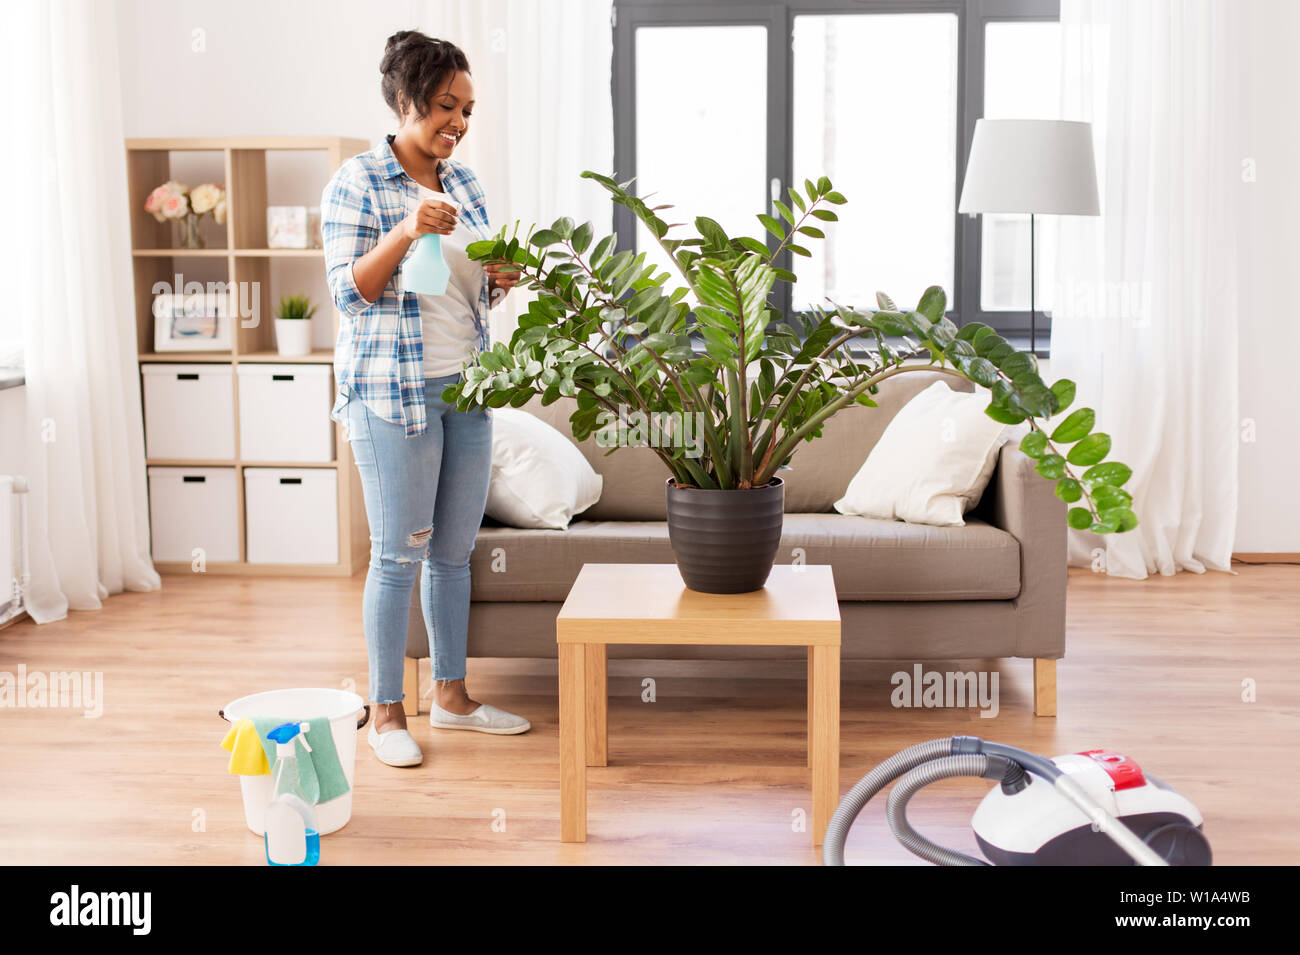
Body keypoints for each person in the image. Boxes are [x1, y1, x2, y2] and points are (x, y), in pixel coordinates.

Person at [320, 29, 528, 767]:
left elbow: (459, 293)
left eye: (468, 110)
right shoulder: (358, 180)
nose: (460, 123)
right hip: (390, 394)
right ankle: (384, 711)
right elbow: (348, 292)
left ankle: (451, 697)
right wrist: (408, 227)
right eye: (447, 106)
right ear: (407, 100)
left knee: (453, 554)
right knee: (396, 554)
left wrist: (499, 281)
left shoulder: (464, 183)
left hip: (466, 387)